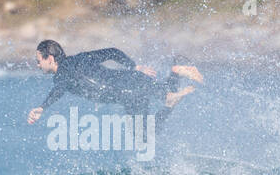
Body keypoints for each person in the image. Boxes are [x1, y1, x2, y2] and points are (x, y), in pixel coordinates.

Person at [27, 39, 202, 126]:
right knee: (149, 127)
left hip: (125, 92)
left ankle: (171, 96)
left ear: (49, 58)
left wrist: (43, 107)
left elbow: (59, 89)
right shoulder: (80, 58)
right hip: (133, 79)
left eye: (38, 61)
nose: (37, 64)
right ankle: (176, 70)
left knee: (147, 131)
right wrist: (134, 66)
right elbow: (112, 52)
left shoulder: (60, 76)